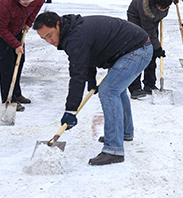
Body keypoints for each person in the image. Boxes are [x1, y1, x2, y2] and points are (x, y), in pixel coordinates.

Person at [33, 11, 152, 166]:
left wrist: (71, 110)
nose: (49, 41)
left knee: (109, 91)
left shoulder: (75, 37)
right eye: (44, 39)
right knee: (117, 88)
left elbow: (77, 75)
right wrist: (91, 80)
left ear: (57, 24)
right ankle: (124, 132)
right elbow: (86, 57)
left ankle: (114, 150)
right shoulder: (72, 30)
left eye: (49, 35)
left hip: (137, 51)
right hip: (131, 49)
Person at [0, 0, 44, 111]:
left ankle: (16, 93)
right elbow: (1, 28)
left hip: (18, 27)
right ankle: (8, 99)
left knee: (19, 60)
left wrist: (28, 23)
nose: (28, 2)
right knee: (7, 63)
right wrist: (16, 44)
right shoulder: (5, 4)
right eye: (24, 0)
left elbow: (36, 8)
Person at [126, 0, 173, 99]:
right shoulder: (145, 6)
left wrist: (155, 48)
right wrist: (157, 48)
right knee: (138, 53)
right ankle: (134, 87)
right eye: (161, 7)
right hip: (136, 19)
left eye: (166, 8)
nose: (164, 9)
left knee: (151, 54)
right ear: (156, 4)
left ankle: (149, 84)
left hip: (152, 21)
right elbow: (148, 32)